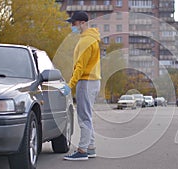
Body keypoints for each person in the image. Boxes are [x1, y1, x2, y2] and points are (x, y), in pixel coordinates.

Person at [64, 11, 101, 161]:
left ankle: (82, 150)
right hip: (93, 81)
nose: (72, 26)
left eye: (74, 23)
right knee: (88, 116)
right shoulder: (92, 38)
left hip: (85, 82)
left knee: (83, 117)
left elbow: (80, 66)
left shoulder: (86, 41)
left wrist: (70, 84)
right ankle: (90, 148)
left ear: (82, 23)